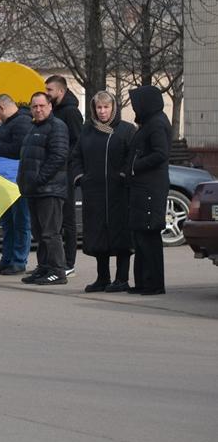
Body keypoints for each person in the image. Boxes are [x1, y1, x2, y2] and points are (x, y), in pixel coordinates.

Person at [68, 91, 135, 291]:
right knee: (98, 236)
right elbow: (76, 157)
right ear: (93, 109)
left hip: (119, 194)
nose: (103, 111)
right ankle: (102, 278)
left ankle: (121, 279)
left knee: (121, 236)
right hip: (94, 193)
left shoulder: (126, 130)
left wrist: (124, 175)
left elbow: (132, 156)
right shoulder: (87, 130)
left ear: (113, 108)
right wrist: (81, 177)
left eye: (106, 107)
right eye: (99, 107)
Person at [18, 92, 70, 286]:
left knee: (50, 232)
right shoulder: (34, 127)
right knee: (39, 233)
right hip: (34, 190)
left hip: (50, 189)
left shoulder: (57, 127)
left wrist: (39, 179)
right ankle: (44, 267)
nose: (38, 109)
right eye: (34, 106)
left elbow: (58, 156)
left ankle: (58, 271)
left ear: (50, 106)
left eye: (41, 106)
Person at [125, 85, 171, 296]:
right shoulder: (148, 123)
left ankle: (154, 283)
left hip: (151, 187)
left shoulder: (157, 124)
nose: (135, 107)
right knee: (140, 235)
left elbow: (160, 154)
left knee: (149, 235)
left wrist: (135, 166)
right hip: (141, 187)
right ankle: (143, 281)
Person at [0, 95, 33, 275]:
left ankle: (19, 261)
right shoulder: (9, 123)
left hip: (18, 180)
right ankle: (7, 259)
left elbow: (20, 148)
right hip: (6, 179)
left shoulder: (22, 123)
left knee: (20, 221)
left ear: (2, 107)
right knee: (7, 222)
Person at [46, 74, 84, 276]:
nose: (47, 94)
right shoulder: (55, 112)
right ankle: (54, 262)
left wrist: (64, 159)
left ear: (61, 91)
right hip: (56, 172)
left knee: (68, 220)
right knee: (55, 221)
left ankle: (69, 263)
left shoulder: (70, 112)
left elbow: (78, 142)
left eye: (50, 90)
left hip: (67, 172)